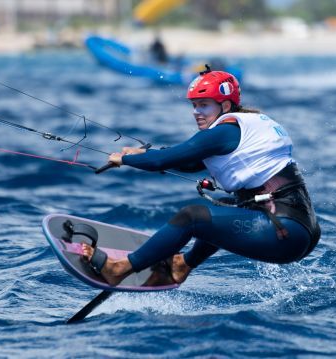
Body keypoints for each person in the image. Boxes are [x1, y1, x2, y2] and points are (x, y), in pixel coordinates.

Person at [82, 66, 321, 286]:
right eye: (194, 105)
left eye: (204, 105)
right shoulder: (250, 124)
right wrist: (142, 154)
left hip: (283, 232)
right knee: (225, 206)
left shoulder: (224, 131)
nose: (197, 112)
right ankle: (180, 266)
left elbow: (162, 161)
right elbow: (188, 161)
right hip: (300, 230)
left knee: (192, 217)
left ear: (225, 106)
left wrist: (125, 159)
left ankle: (119, 269)